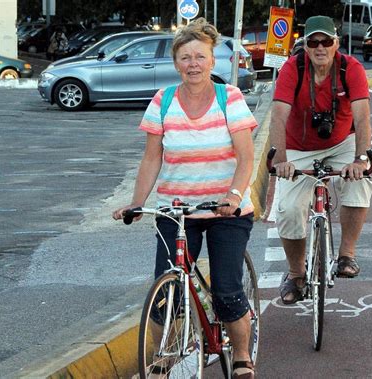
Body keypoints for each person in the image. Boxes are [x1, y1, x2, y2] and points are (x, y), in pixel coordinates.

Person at [113, 18, 257, 378]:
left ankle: (241, 354)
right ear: (176, 62)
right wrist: (136, 201)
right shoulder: (163, 101)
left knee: (226, 290)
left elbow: (247, 156)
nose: (193, 64)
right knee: (167, 291)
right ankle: (168, 350)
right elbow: (151, 157)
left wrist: (234, 195)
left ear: (212, 60)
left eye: (200, 57)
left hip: (227, 209)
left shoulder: (230, 98)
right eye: (185, 57)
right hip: (176, 209)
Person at [269, 15, 372, 304]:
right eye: (312, 42)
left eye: (325, 41)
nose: (319, 48)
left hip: (342, 141)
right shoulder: (293, 68)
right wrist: (280, 160)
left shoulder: (350, 68)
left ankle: (346, 255)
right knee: (289, 209)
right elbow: (278, 115)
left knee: (359, 184)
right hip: (298, 147)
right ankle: (296, 274)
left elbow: (363, 117)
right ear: (304, 46)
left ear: (335, 43)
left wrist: (360, 158)